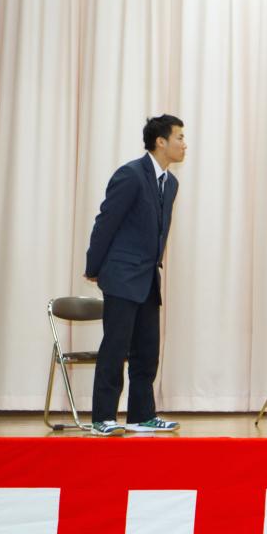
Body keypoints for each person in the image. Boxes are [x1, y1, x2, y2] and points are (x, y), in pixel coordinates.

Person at [83, 115, 187, 436]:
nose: (184, 144)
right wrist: (94, 267)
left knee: (146, 350)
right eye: (179, 137)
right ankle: (103, 417)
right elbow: (106, 222)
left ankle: (142, 415)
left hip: (147, 278)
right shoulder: (130, 175)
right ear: (160, 141)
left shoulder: (170, 183)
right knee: (116, 348)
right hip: (121, 274)